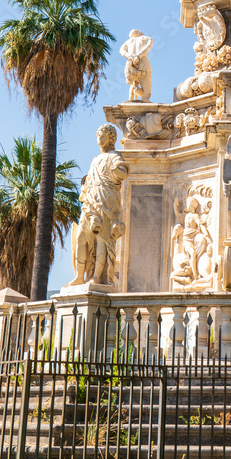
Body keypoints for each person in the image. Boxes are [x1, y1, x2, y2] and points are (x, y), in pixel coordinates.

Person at [69, 124, 128, 288]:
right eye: (98, 136)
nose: (99, 139)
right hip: (90, 203)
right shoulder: (95, 160)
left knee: (102, 240)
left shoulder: (115, 156)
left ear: (111, 138)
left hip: (106, 203)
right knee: (81, 237)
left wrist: (117, 170)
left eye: (103, 136)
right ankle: (79, 276)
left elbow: (122, 173)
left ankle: (97, 277)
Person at [120, 29, 153, 101]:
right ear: (139, 32)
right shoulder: (146, 38)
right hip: (143, 63)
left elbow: (121, 51)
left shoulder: (127, 42)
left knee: (133, 83)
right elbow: (147, 48)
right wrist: (138, 56)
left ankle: (131, 97)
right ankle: (137, 92)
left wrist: (129, 56)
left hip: (131, 64)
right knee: (147, 94)